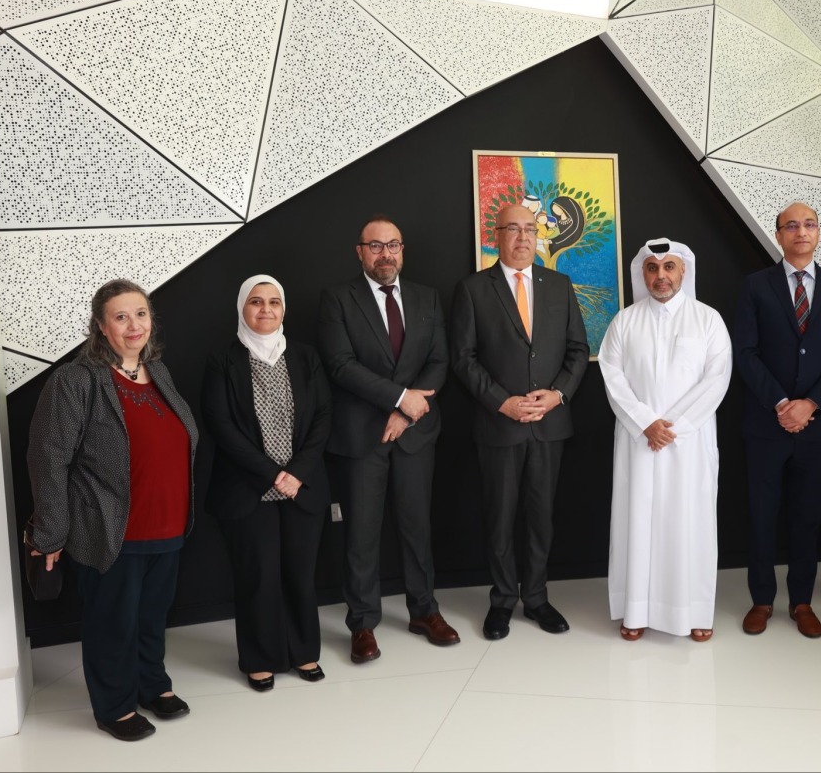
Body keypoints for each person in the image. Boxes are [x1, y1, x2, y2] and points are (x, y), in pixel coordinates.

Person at [26, 279, 197, 741]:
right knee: (112, 623)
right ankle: (114, 706)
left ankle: (151, 685)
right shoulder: (76, 380)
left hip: (166, 525)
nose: (134, 324)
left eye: (140, 314)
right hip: (111, 531)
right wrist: (51, 532)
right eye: (121, 316)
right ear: (101, 327)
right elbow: (48, 459)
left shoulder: (158, 371)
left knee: (151, 617)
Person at [317, 216, 459, 663]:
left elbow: (439, 360)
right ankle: (362, 623)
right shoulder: (337, 299)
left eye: (393, 245)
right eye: (375, 246)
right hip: (363, 437)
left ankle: (424, 611)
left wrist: (406, 413)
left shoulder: (426, 297)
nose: (386, 254)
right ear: (359, 251)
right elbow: (340, 365)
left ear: (403, 250)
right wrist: (399, 400)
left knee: (418, 527)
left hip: (415, 435)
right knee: (361, 533)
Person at [450, 202, 589, 640]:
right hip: (500, 424)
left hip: (549, 424)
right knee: (500, 517)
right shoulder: (473, 289)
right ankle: (503, 600)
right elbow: (463, 358)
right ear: (497, 235)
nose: (524, 237)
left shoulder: (560, 285)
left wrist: (558, 395)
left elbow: (577, 350)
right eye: (514, 229)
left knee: (541, 516)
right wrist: (501, 402)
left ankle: (538, 598)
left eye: (530, 229)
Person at [200, 275, 332, 691]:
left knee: (299, 572)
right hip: (248, 488)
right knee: (258, 575)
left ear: (284, 310)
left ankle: (304, 651)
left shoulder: (307, 357)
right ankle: (260, 658)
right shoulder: (222, 362)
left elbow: (322, 420)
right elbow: (221, 426)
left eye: (274, 302)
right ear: (242, 308)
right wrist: (273, 474)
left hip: (301, 486)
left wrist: (297, 474)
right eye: (256, 302)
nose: (265, 310)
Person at [733, 201, 821, 639]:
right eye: (791, 225)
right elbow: (744, 353)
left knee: (807, 516)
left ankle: (802, 600)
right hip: (766, 424)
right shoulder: (755, 286)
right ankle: (762, 600)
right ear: (779, 234)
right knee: (762, 514)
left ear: (818, 232)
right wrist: (783, 402)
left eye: (808, 224)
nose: (800, 231)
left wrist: (811, 404)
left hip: (816, 427)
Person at [598, 239, 732, 641]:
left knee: (688, 523)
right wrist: (645, 423)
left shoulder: (708, 320)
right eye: (652, 268)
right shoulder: (624, 321)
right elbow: (612, 376)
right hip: (639, 441)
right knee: (637, 522)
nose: (661, 276)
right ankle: (635, 610)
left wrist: (672, 427)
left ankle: (693, 612)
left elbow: (717, 379)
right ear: (643, 274)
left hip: (688, 444)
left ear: (683, 272)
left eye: (669, 267)